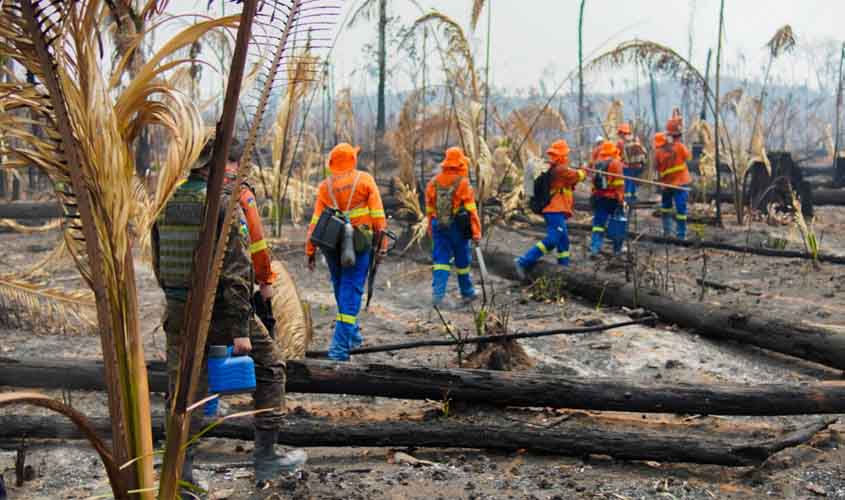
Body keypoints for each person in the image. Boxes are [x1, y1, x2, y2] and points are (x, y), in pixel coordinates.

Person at [152, 139, 306, 493]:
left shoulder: (167, 202)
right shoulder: (221, 205)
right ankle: (266, 457)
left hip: (177, 310)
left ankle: (181, 472)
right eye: (231, 164)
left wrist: (177, 302)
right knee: (270, 368)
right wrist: (240, 329)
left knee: (184, 391)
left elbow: (159, 261)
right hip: (218, 309)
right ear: (215, 166)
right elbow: (236, 272)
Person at [306, 143, 387, 361]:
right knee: (350, 292)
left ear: (332, 163)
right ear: (353, 159)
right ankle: (339, 350)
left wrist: (310, 250)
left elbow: (315, 222)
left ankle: (352, 335)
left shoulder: (325, 186)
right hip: (359, 245)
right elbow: (378, 216)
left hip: (331, 245)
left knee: (342, 288)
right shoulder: (365, 180)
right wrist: (383, 245)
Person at [515, 140, 586, 279]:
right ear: (562, 155)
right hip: (554, 210)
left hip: (556, 210)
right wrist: (584, 170)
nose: (567, 157)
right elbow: (577, 176)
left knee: (563, 241)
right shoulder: (560, 170)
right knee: (553, 240)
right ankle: (523, 261)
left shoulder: (555, 168)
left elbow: (572, 180)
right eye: (566, 154)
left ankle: (563, 269)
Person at [425, 147, 481, 307]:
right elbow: (471, 211)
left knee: (441, 260)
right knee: (462, 260)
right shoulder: (463, 183)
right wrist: (476, 232)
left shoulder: (433, 182)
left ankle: (438, 296)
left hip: (438, 225)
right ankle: (467, 292)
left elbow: (429, 209)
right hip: (457, 226)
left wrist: (430, 227)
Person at [655, 112, 692, 239]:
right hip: (676, 184)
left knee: (672, 208)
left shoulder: (661, 151)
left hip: (675, 184)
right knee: (676, 208)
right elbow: (688, 157)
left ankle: (671, 233)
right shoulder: (679, 147)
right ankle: (677, 234)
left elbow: (657, 169)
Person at [589, 140, 626, 257]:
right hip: (613, 199)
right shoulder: (616, 163)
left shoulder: (597, 163)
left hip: (599, 198)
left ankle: (594, 248)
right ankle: (617, 250)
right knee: (617, 224)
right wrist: (621, 200)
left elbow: (593, 183)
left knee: (598, 225)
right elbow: (619, 184)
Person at [616, 123, 647, 205]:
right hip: (638, 164)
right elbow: (643, 150)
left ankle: (627, 197)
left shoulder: (621, 142)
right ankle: (633, 196)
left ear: (622, 132)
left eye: (620, 133)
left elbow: (617, 154)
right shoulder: (635, 139)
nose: (619, 135)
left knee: (627, 180)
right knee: (633, 180)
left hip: (626, 165)